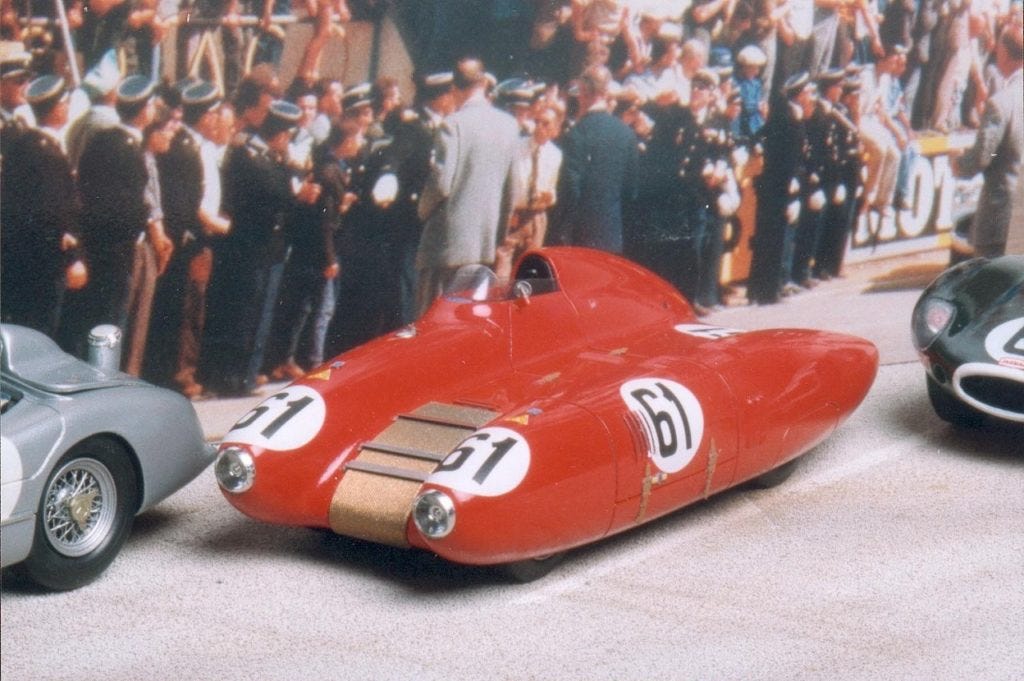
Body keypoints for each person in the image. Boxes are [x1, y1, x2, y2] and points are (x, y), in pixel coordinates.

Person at [202, 100, 320, 396]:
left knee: (261, 313)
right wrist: (298, 193)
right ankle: (232, 376)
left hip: (270, 247)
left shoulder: (271, 157)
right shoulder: (249, 155)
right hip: (249, 246)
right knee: (244, 313)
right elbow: (274, 189)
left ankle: (248, 373)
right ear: (280, 133)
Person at [414, 57, 520, 315]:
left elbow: (441, 184)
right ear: (484, 83)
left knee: (433, 321)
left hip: (446, 244)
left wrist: (421, 211)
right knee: (468, 321)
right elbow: (512, 190)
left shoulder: (453, 124)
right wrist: (498, 235)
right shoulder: (509, 125)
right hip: (484, 245)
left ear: (454, 88)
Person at [1, 74, 86, 337]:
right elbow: (52, 214)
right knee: (40, 333)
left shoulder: (22, 145)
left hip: (20, 260)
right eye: (66, 103)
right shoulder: (47, 153)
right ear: (58, 108)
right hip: (45, 264)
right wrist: (71, 259)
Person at [951, 27, 1023, 259]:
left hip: (1001, 216)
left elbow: (983, 156)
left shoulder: (1001, 103)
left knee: (992, 279)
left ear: (1004, 53)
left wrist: (959, 163)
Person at [555, 64, 638, 253]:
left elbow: (570, 189)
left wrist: (562, 231)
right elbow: (631, 191)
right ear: (607, 92)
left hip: (578, 236)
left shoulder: (577, 134)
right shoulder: (626, 134)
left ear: (582, 91)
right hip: (612, 235)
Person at [495, 101, 564, 281]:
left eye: (546, 123)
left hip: (536, 216)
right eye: (537, 121)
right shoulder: (516, 148)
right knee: (503, 263)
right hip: (515, 215)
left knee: (529, 268)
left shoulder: (555, 155)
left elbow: (552, 188)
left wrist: (548, 197)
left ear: (556, 129)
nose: (539, 127)